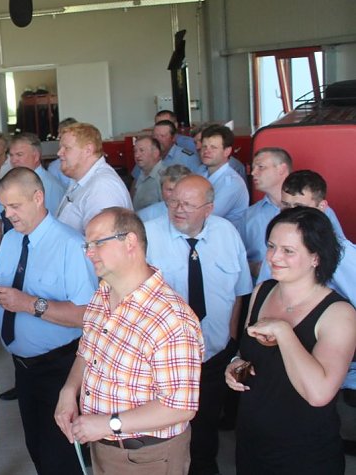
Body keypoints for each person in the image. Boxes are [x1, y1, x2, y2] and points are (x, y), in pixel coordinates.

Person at [55, 207, 203, 475]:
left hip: (147, 456)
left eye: (98, 243)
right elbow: (87, 351)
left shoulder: (170, 318)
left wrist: (108, 424)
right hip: (103, 442)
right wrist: (69, 390)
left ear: (130, 242)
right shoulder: (103, 294)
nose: (89, 253)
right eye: (87, 245)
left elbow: (180, 407)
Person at [0, 167, 96, 474]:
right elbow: (9, 293)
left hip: (60, 367)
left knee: (63, 458)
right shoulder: (11, 240)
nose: (8, 214)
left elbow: (88, 315)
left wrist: (29, 304)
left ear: (38, 197)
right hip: (23, 368)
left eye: (15, 206)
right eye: (4, 207)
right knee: (38, 449)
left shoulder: (71, 245)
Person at [225, 207, 356, 474]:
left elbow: (319, 394)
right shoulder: (263, 291)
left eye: (288, 251)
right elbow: (249, 355)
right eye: (271, 246)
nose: (274, 257)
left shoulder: (338, 314)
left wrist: (284, 332)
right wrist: (236, 364)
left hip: (305, 452)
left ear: (316, 257)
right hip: (252, 440)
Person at [144, 175, 252, 475]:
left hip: (214, 354)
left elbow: (240, 291)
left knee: (205, 426)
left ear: (209, 208)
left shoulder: (226, 233)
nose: (179, 209)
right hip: (164, 360)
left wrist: (231, 338)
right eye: (174, 201)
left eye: (188, 204)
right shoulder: (147, 236)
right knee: (166, 430)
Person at [243, 152, 344, 278]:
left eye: (299, 207)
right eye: (285, 205)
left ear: (322, 207)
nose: (291, 213)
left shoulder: (342, 253)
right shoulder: (274, 255)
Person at [55, 122, 132, 233]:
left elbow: (102, 240)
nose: (59, 153)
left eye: (66, 148)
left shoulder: (103, 187)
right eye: (60, 148)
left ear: (88, 150)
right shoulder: (80, 180)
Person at [0, 132, 65, 245]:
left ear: (36, 156)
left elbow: (54, 226)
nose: (13, 160)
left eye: (19, 155)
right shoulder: (9, 182)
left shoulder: (52, 186)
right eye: (11, 155)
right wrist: (1, 238)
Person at [198, 124, 248, 231]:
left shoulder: (232, 183)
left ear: (227, 151)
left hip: (223, 237)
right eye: (204, 146)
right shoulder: (200, 171)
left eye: (213, 147)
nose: (206, 151)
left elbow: (206, 216)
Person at [131, 135, 165, 211]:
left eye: (141, 150)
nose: (137, 155)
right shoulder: (141, 174)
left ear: (155, 153)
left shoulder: (164, 177)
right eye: (135, 151)